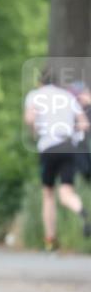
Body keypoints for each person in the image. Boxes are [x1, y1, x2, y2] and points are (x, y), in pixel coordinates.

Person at [24, 71, 91, 251]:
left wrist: (36, 130)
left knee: (48, 194)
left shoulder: (35, 95)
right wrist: (73, 132)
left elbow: (30, 119)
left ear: (40, 82)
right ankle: (81, 211)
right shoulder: (67, 96)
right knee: (67, 192)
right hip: (69, 145)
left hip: (49, 146)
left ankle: (50, 240)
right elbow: (84, 124)